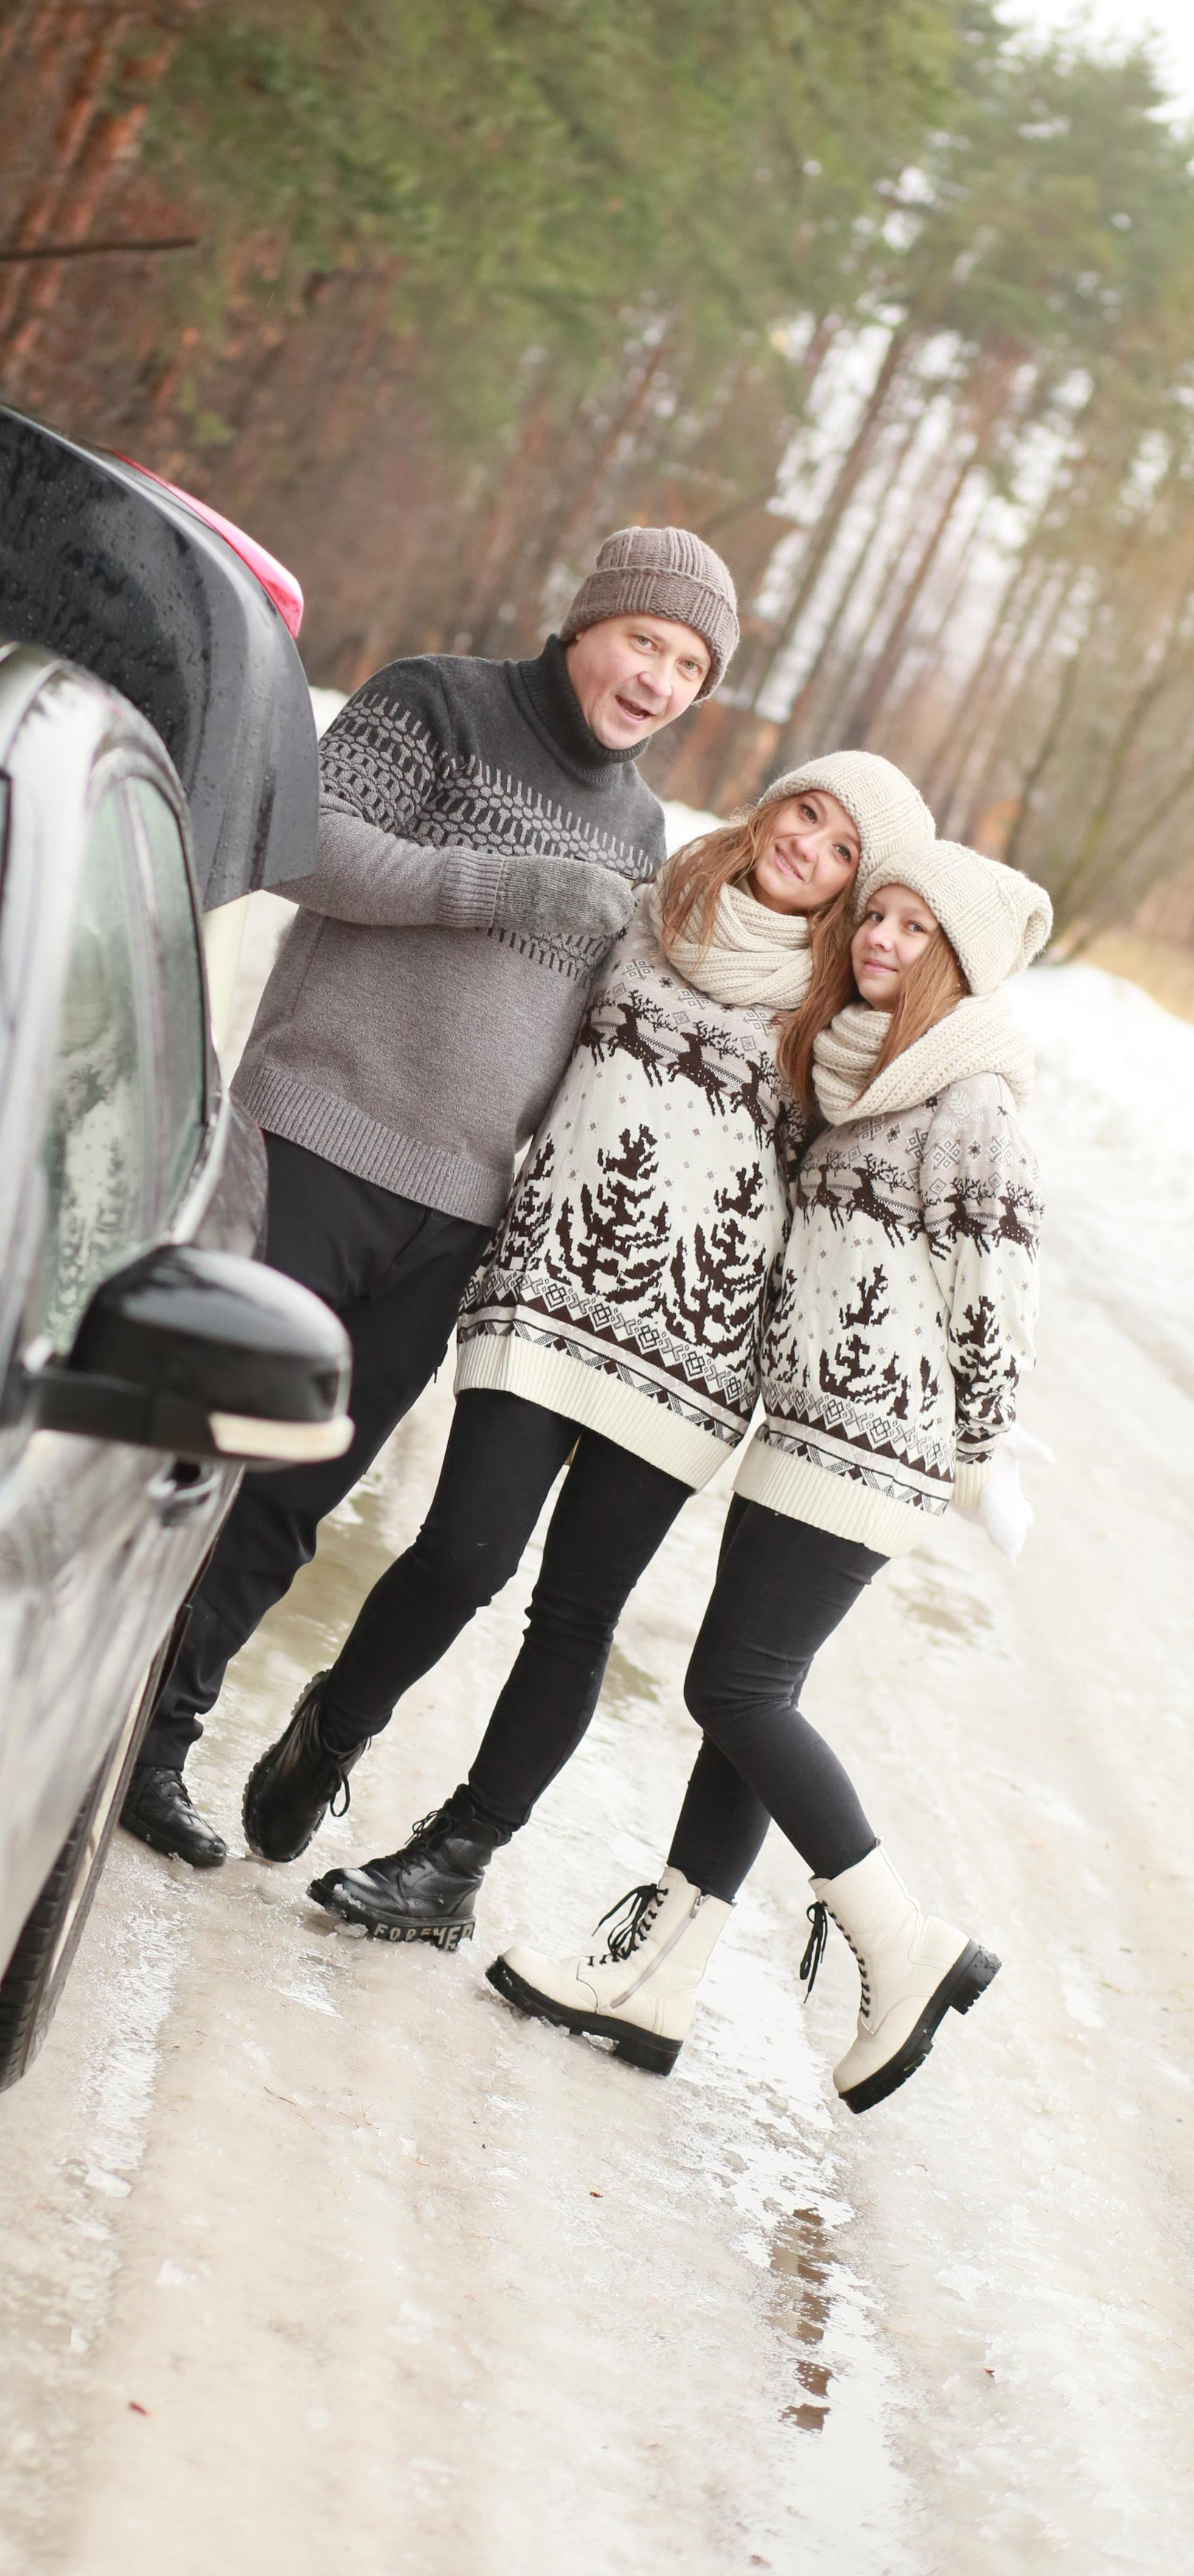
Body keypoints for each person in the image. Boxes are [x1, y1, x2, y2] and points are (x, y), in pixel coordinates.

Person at [122, 528, 738, 1868]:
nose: (658, 678)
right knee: (201, 1446)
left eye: (689, 666)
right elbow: (306, 846)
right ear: (591, 622)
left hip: (452, 1209)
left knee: (295, 1492)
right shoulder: (435, 703)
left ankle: (159, 1735)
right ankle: (90, 1710)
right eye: (648, 640)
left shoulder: (642, 830)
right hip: (310, 1136)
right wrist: (497, 884)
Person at [243, 753, 933, 1946]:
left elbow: (925, 1097)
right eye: (806, 815)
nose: (807, 850)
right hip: (548, 1291)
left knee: (575, 1617)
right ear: (776, 803)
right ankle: (336, 1725)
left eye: (839, 855)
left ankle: (454, 1864)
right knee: (462, 1558)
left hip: (693, 1361)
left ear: (852, 893)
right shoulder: (650, 912)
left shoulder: (840, 1019)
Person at [488, 836, 1050, 2115]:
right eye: (878, 918)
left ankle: (901, 1943)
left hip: (872, 1445)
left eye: (917, 932)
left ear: (959, 966)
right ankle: (658, 1981)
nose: (882, 942)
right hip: (801, 1434)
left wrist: (983, 1453)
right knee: (753, 1690)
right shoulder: (865, 1073)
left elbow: (999, 1293)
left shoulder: (971, 1101)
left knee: (731, 1687)